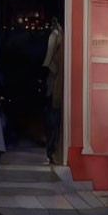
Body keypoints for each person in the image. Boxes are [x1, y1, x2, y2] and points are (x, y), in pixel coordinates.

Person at [42, 17, 64, 163]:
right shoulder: (61, 35)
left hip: (54, 82)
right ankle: (52, 150)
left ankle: (51, 150)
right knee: (54, 118)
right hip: (58, 81)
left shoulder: (55, 35)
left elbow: (47, 61)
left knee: (52, 117)